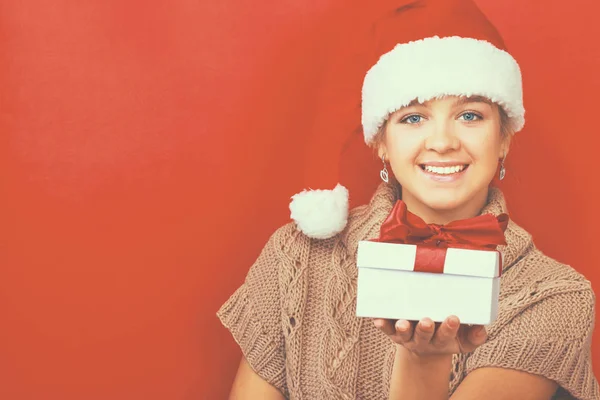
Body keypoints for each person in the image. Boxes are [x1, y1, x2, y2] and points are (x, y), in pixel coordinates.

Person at [217, 0, 599, 399]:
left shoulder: (554, 296)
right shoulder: (296, 256)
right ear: (381, 142)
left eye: (470, 115)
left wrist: (423, 360)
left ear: (503, 138)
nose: (443, 142)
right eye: (413, 118)